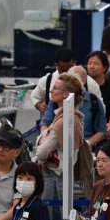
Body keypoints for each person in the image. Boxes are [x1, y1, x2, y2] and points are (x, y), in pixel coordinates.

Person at [35, 74, 86, 210]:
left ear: (65, 94)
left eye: (55, 88)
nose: (51, 91)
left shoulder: (64, 121)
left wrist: (42, 141)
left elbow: (41, 153)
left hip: (54, 175)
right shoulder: (72, 116)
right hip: (62, 174)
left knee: (52, 219)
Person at [42, 66, 106, 146]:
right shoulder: (55, 100)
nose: (69, 82)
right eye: (67, 78)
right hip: (57, 145)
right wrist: (44, 139)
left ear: (83, 82)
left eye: (73, 80)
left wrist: (87, 144)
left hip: (86, 147)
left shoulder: (94, 101)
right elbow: (45, 123)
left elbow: (102, 130)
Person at [87, 51, 110, 128]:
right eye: (89, 63)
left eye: (95, 64)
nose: (91, 66)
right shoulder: (83, 85)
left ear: (104, 67)